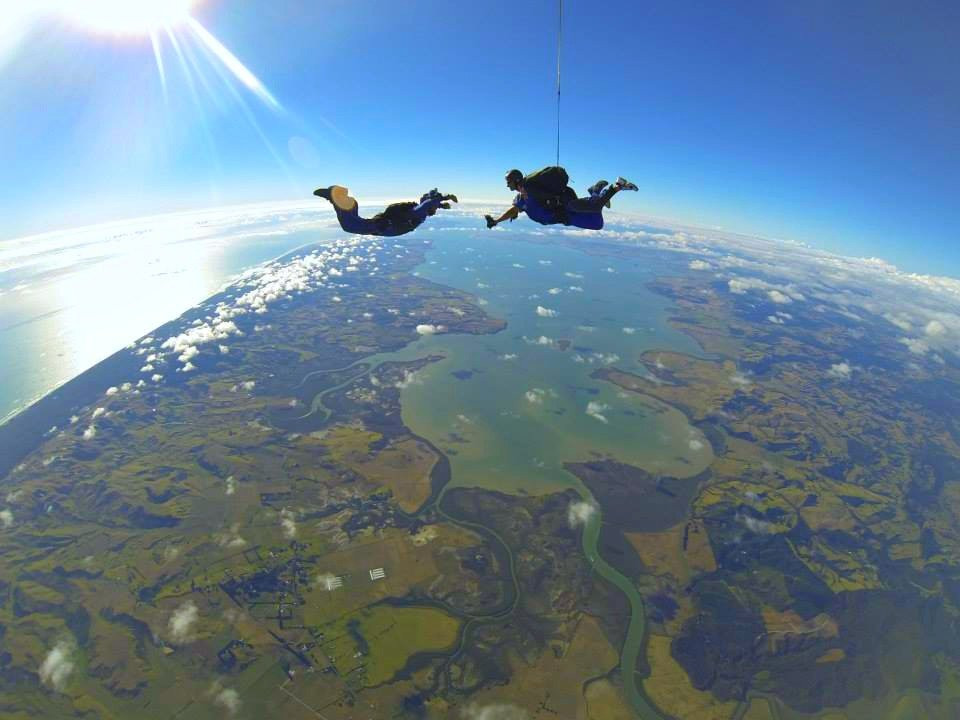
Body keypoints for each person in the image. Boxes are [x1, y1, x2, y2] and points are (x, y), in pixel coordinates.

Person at [484, 167, 637, 231]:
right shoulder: (522, 197)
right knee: (597, 224)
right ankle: (595, 192)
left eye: (508, 182)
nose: (507, 185)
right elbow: (513, 210)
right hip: (566, 217)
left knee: (595, 207)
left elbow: (514, 210)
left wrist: (497, 220)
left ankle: (616, 186)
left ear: (515, 180)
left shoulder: (529, 191)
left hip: (568, 210)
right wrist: (497, 220)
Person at [314, 185, 458, 236]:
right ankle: (334, 195)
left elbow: (428, 205)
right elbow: (428, 204)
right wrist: (444, 198)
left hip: (383, 226)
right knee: (350, 226)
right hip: (383, 227)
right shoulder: (419, 211)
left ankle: (349, 203)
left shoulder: (420, 211)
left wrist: (442, 205)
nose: (434, 211)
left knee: (354, 223)